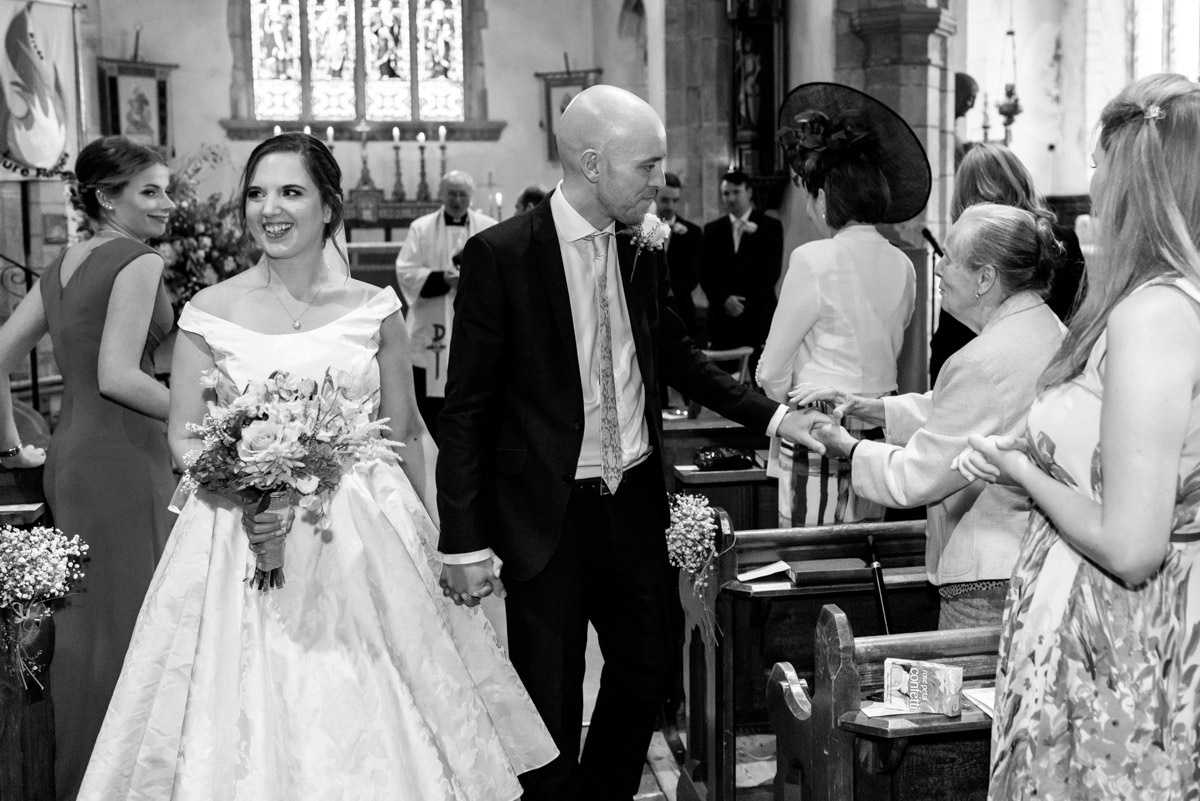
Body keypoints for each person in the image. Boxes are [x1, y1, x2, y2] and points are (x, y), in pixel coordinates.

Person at [77, 133, 557, 800]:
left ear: (329, 207)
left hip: (362, 541)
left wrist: (442, 542)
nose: (269, 208)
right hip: (237, 538)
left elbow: (404, 434)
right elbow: (183, 436)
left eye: (290, 192)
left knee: (377, 710)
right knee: (244, 705)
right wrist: (243, 477)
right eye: (257, 193)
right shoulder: (208, 313)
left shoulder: (376, 309)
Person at [435, 84, 830, 801]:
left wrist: (772, 417)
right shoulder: (502, 256)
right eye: (646, 166)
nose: (659, 182)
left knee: (646, 669)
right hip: (545, 509)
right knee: (549, 699)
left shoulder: (648, 248)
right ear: (592, 162)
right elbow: (466, 409)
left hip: (634, 498)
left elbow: (676, 353)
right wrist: (461, 538)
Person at [955, 73, 1200, 798]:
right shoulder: (1152, 299)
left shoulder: (1157, 314)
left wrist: (1022, 471)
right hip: (1098, 635)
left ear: (1136, 181)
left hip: (1119, 647)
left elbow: (1131, 545)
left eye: (1098, 166)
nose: (1091, 185)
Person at [0, 135, 176, 799]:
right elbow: (121, 377)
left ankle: (79, 780)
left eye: (166, 188)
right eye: (149, 191)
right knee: (135, 627)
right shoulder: (137, 259)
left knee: (82, 632)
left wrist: (13, 450)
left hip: (71, 459)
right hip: (125, 461)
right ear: (106, 197)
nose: (167, 204)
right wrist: (207, 412)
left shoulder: (63, 265)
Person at [798, 204, 1065, 628]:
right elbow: (961, 412)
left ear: (985, 278)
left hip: (988, 577)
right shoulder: (1045, 327)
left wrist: (847, 447)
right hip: (1034, 562)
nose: (939, 268)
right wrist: (871, 407)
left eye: (952, 257)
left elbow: (915, 476)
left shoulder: (980, 362)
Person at [757, 82, 928, 527]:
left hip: (817, 430)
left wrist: (790, 407)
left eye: (810, 192)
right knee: (862, 551)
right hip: (876, 431)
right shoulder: (904, 265)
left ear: (825, 196)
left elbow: (771, 371)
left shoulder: (814, 259)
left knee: (808, 556)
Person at [931, 143, 1086, 381]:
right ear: (1019, 181)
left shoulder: (978, 249)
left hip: (991, 377)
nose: (939, 269)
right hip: (1058, 370)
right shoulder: (1061, 237)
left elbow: (951, 340)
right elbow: (1078, 313)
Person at [394, 170, 496, 441]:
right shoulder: (421, 228)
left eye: (463, 194)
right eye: (452, 193)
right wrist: (442, 279)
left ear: (471, 197)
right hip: (431, 326)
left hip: (471, 324)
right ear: (442, 194)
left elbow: (499, 271)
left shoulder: (488, 226)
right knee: (430, 407)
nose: (458, 199)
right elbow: (406, 270)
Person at [700, 169, 783, 359]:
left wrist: (744, 304)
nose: (730, 198)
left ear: (749, 192)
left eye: (736, 192)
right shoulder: (712, 230)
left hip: (758, 315)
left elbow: (772, 272)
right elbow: (705, 273)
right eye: (726, 193)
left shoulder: (770, 227)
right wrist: (725, 300)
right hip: (722, 319)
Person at [655, 172, 703, 340]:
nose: (670, 206)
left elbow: (693, 275)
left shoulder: (693, 232)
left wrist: (667, 297)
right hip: (650, 311)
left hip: (681, 310)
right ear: (654, 196)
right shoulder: (642, 229)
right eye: (665, 200)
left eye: (675, 201)